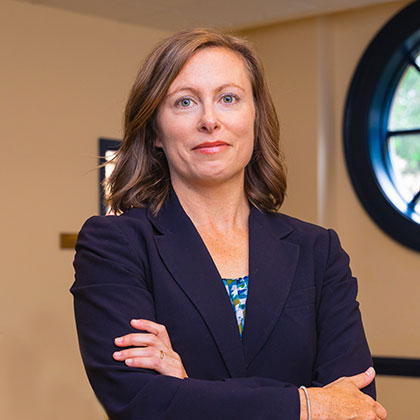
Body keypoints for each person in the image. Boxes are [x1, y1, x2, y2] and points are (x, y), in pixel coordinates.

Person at [71, 28, 387, 420]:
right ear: (155, 130)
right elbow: (141, 403)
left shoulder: (318, 250)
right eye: (184, 102)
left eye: (229, 98)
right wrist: (305, 403)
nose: (209, 120)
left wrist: (188, 389)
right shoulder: (114, 245)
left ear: (255, 116)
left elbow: (356, 406)